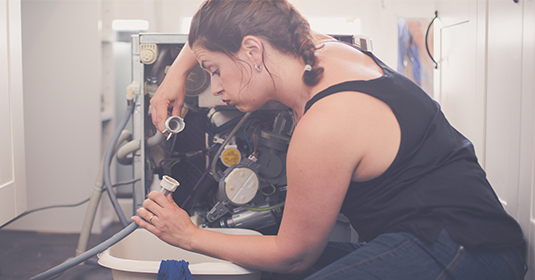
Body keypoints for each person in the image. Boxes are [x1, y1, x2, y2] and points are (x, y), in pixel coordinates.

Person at [131, 0, 527, 279]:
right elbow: (240, 13)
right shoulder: (313, 47)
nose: (215, 86)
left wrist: (189, 235)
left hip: (469, 252)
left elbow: (293, 257)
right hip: (433, 237)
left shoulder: (324, 125)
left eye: (214, 70)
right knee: (255, 271)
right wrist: (178, 71)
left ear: (252, 50)